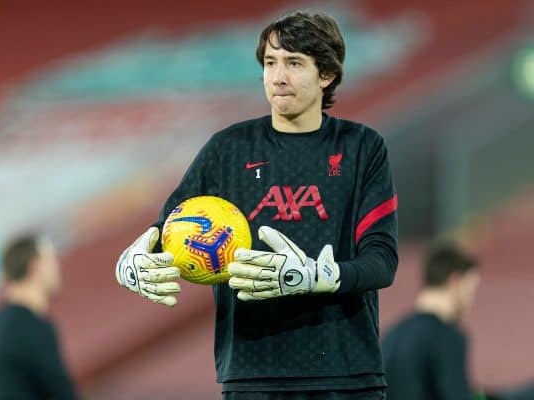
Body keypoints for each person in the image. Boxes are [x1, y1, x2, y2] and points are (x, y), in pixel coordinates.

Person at [116, 11, 398, 400]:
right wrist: (131, 264)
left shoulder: (361, 147)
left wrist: (315, 277)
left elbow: (382, 262)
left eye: (294, 63)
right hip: (252, 376)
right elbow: (167, 231)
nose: (277, 77)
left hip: (345, 375)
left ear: (327, 75)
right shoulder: (227, 150)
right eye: (270, 63)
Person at [0, 234, 79, 400]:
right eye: (52, 263)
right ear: (36, 268)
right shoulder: (35, 328)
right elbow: (61, 393)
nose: (57, 271)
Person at [381, 242, 480, 400]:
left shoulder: (390, 336)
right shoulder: (448, 337)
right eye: (470, 289)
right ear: (454, 282)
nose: (471, 300)